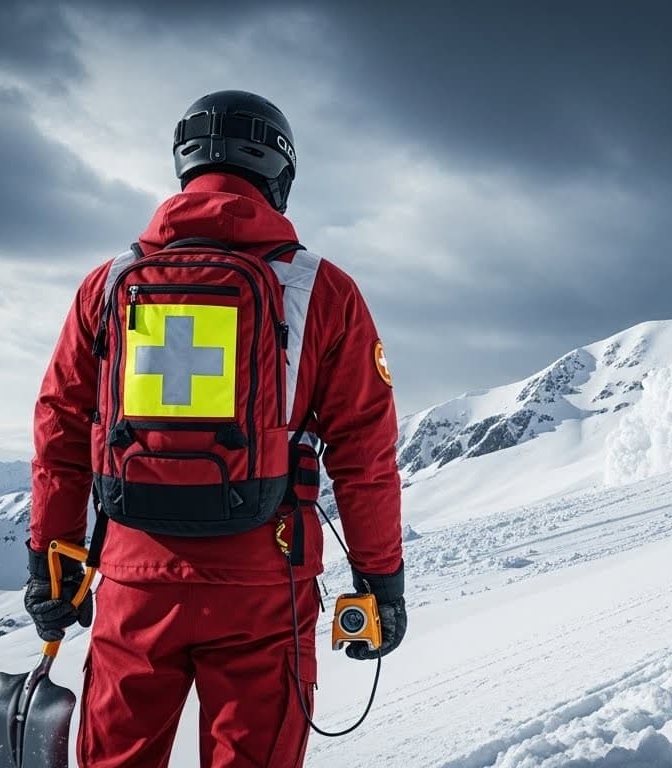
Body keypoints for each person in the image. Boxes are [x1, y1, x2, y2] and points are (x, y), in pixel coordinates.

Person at [24, 90, 406, 767]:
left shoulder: (106, 286)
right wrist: (380, 580)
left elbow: (59, 426)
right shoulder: (324, 290)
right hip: (266, 583)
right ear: (279, 175)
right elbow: (364, 453)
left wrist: (50, 559)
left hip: (135, 580)